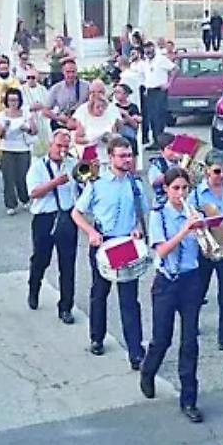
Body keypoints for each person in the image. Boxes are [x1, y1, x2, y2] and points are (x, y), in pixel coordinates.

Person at [71, 136, 149, 366]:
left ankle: (135, 351)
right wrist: (91, 233)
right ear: (111, 157)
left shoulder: (136, 184)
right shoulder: (97, 183)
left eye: (129, 155)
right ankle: (97, 337)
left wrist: (137, 228)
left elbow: (141, 213)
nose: (127, 160)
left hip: (125, 244)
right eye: (122, 156)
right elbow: (76, 213)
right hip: (104, 241)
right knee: (100, 292)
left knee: (129, 299)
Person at [140, 167, 207, 423]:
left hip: (191, 280)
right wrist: (185, 230)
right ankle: (148, 370)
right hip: (167, 281)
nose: (181, 193)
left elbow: (205, 247)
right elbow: (162, 251)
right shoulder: (159, 216)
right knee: (162, 338)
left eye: (184, 188)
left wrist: (205, 232)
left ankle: (189, 399)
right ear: (166, 189)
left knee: (190, 341)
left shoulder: (194, 213)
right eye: (176, 188)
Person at [191, 150, 223, 356]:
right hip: (205, 243)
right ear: (206, 171)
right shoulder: (196, 194)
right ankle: (191, 324)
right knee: (198, 289)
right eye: (216, 171)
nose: (221, 175)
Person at [25, 129, 79, 323]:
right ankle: (34, 288)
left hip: (67, 217)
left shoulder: (73, 164)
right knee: (41, 258)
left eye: (66, 146)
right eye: (59, 146)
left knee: (68, 264)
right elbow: (33, 193)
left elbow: (82, 188)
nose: (62, 150)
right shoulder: (38, 167)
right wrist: (55, 182)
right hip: (44, 218)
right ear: (51, 145)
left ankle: (66, 307)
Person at [0, 87, 37, 215]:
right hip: (7, 148)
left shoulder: (26, 113)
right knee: (8, 177)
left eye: (15, 100)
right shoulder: (2, 115)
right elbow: (0, 135)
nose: (13, 103)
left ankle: (25, 199)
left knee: (23, 176)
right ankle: (10, 204)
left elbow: (35, 131)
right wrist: (6, 127)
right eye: (10, 100)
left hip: (23, 148)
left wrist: (28, 127)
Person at [42, 59, 89, 132]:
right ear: (63, 72)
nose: (71, 75)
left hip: (80, 125)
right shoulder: (56, 88)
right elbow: (45, 110)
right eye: (68, 72)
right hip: (62, 125)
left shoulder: (86, 86)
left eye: (73, 72)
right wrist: (59, 118)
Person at [140, 42, 173, 147]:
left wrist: (169, 83)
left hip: (159, 91)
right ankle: (155, 141)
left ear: (153, 49)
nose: (147, 52)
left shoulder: (161, 59)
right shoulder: (146, 62)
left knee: (159, 117)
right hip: (149, 92)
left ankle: (160, 141)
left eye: (149, 49)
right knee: (151, 118)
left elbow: (175, 69)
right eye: (146, 50)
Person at [146, 133, 182, 206]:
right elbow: (154, 183)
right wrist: (177, 172)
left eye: (175, 148)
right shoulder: (157, 165)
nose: (174, 151)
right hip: (163, 202)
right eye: (170, 148)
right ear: (162, 151)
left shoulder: (180, 162)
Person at [113, 83, 142, 148]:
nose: (116, 94)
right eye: (115, 92)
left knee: (130, 137)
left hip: (130, 131)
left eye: (118, 92)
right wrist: (129, 118)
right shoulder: (114, 107)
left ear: (126, 94)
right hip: (117, 130)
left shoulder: (133, 107)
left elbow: (136, 124)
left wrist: (126, 116)